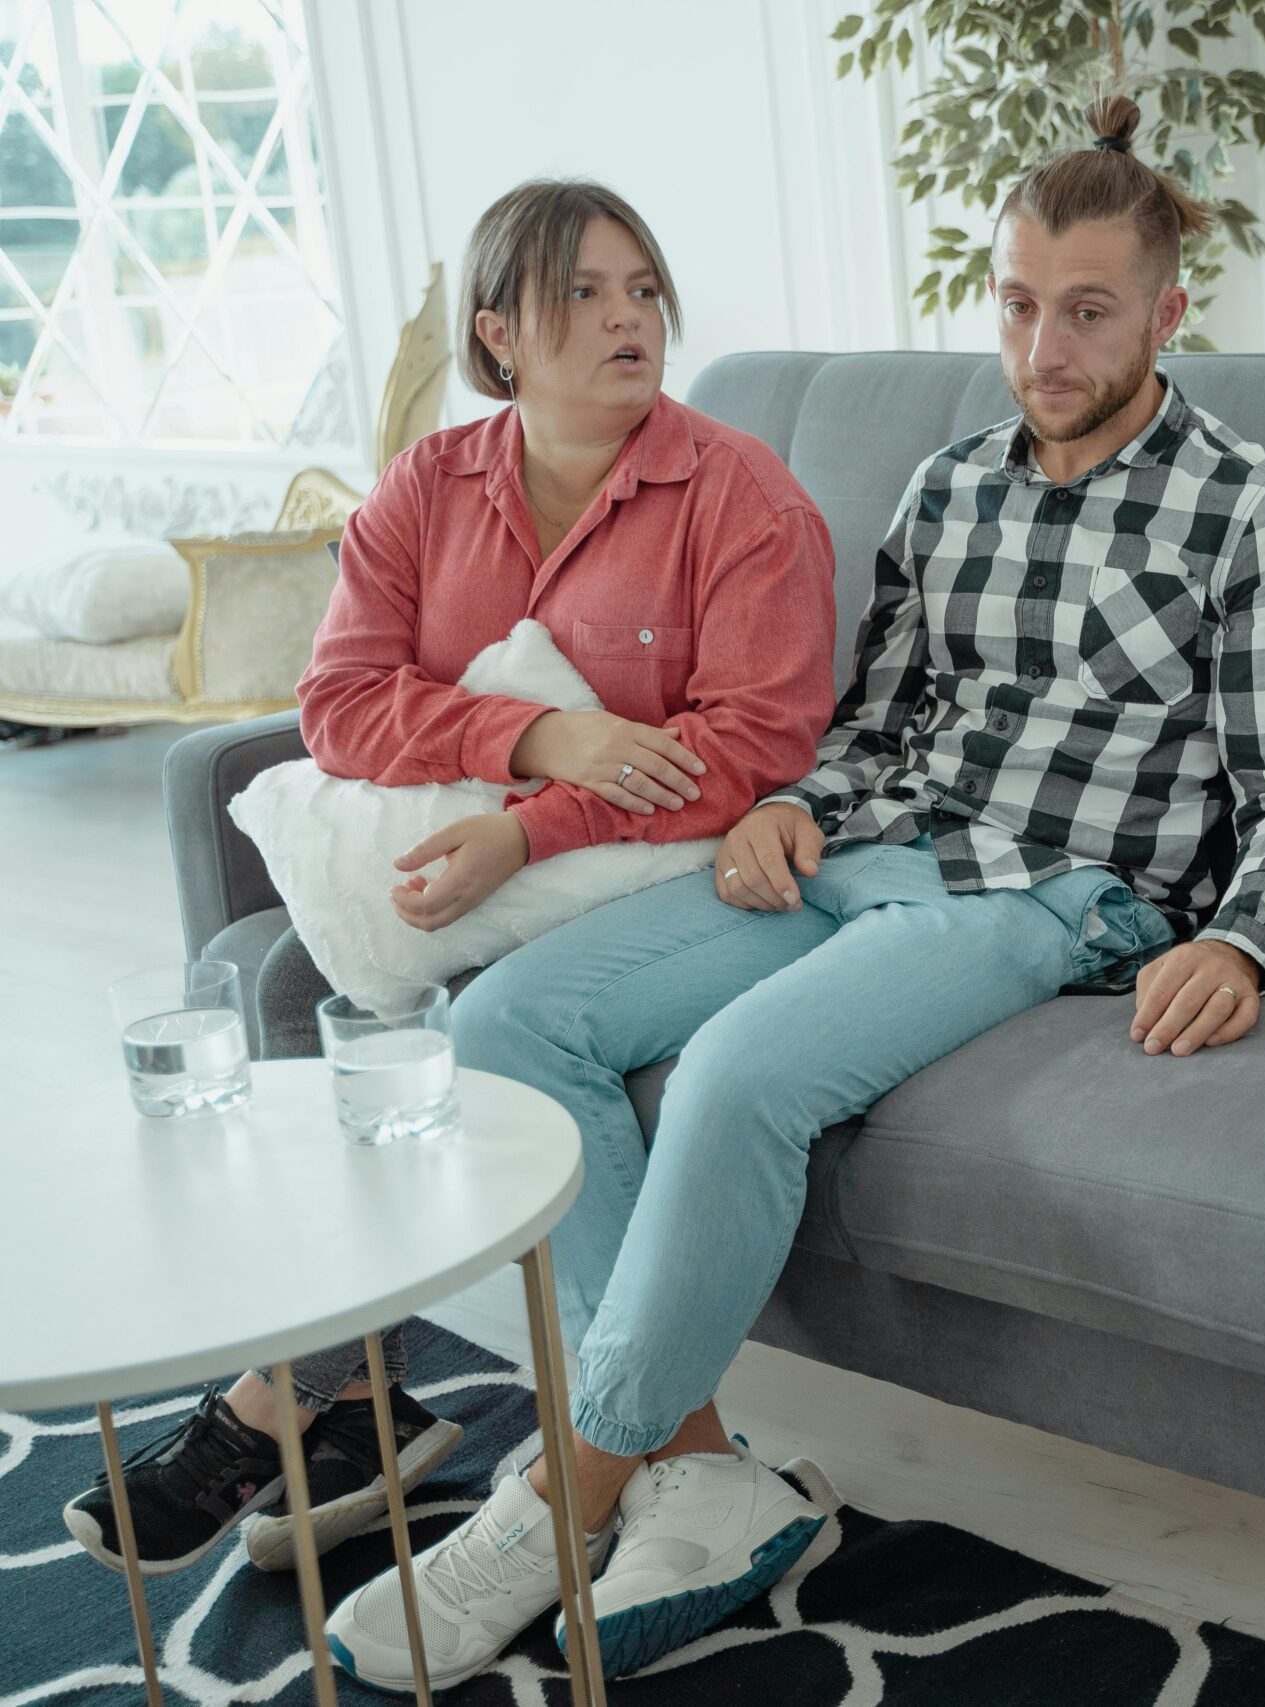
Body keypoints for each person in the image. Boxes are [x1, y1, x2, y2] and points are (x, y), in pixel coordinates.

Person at [324, 98, 1265, 1691]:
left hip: (1052, 895)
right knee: (511, 1021)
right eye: (1017, 303)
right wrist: (790, 809)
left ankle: (559, 1490)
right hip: (868, 854)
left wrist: (1244, 934)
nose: (1044, 344)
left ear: (1164, 313)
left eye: (1087, 309)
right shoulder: (947, 488)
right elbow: (869, 725)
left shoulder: (1254, 510)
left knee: (737, 1075)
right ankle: (694, 1468)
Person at [61, 178, 837, 1582]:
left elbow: (757, 744)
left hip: (657, 871)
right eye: (586, 294)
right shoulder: (427, 489)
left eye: (645, 290)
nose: (629, 319)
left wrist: (526, 822)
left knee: (410, 994)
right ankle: (340, 1387)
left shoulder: (743, 497)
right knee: (292, 979)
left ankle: (392, 1411)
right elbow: (340, 701)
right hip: (495, 852)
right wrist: (542, 729)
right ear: (498, 332)